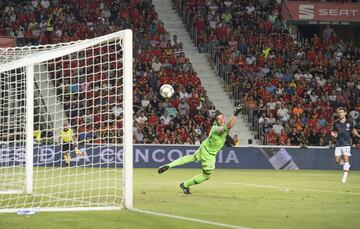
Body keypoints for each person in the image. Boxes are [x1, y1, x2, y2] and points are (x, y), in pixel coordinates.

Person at [157, 104, 244, 194]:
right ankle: (185, 184)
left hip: (204, 147)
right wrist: (236, 114)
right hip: (209, 155)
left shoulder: (215, 125)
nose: (221, 121)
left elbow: (226, 130)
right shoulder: (217, 129)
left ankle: (169, 165)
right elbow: (228, 126)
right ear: (216, 121)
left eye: (222, 118)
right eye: (219, 119)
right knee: (206, 176)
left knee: (192, 157)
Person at [331, 107, 360, 183]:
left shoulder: (350, 122)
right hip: (338, 143)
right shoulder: (335, 123)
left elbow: (353, 130)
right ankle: (345, 164)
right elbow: (333, 132)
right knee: (337, 161)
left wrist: (358, 135)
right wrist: (333, 135)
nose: (340, 114)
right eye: (339, 113)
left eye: (341, 112)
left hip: (346, 143)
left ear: (345, 113)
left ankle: (345, 176)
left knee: (346, 159)